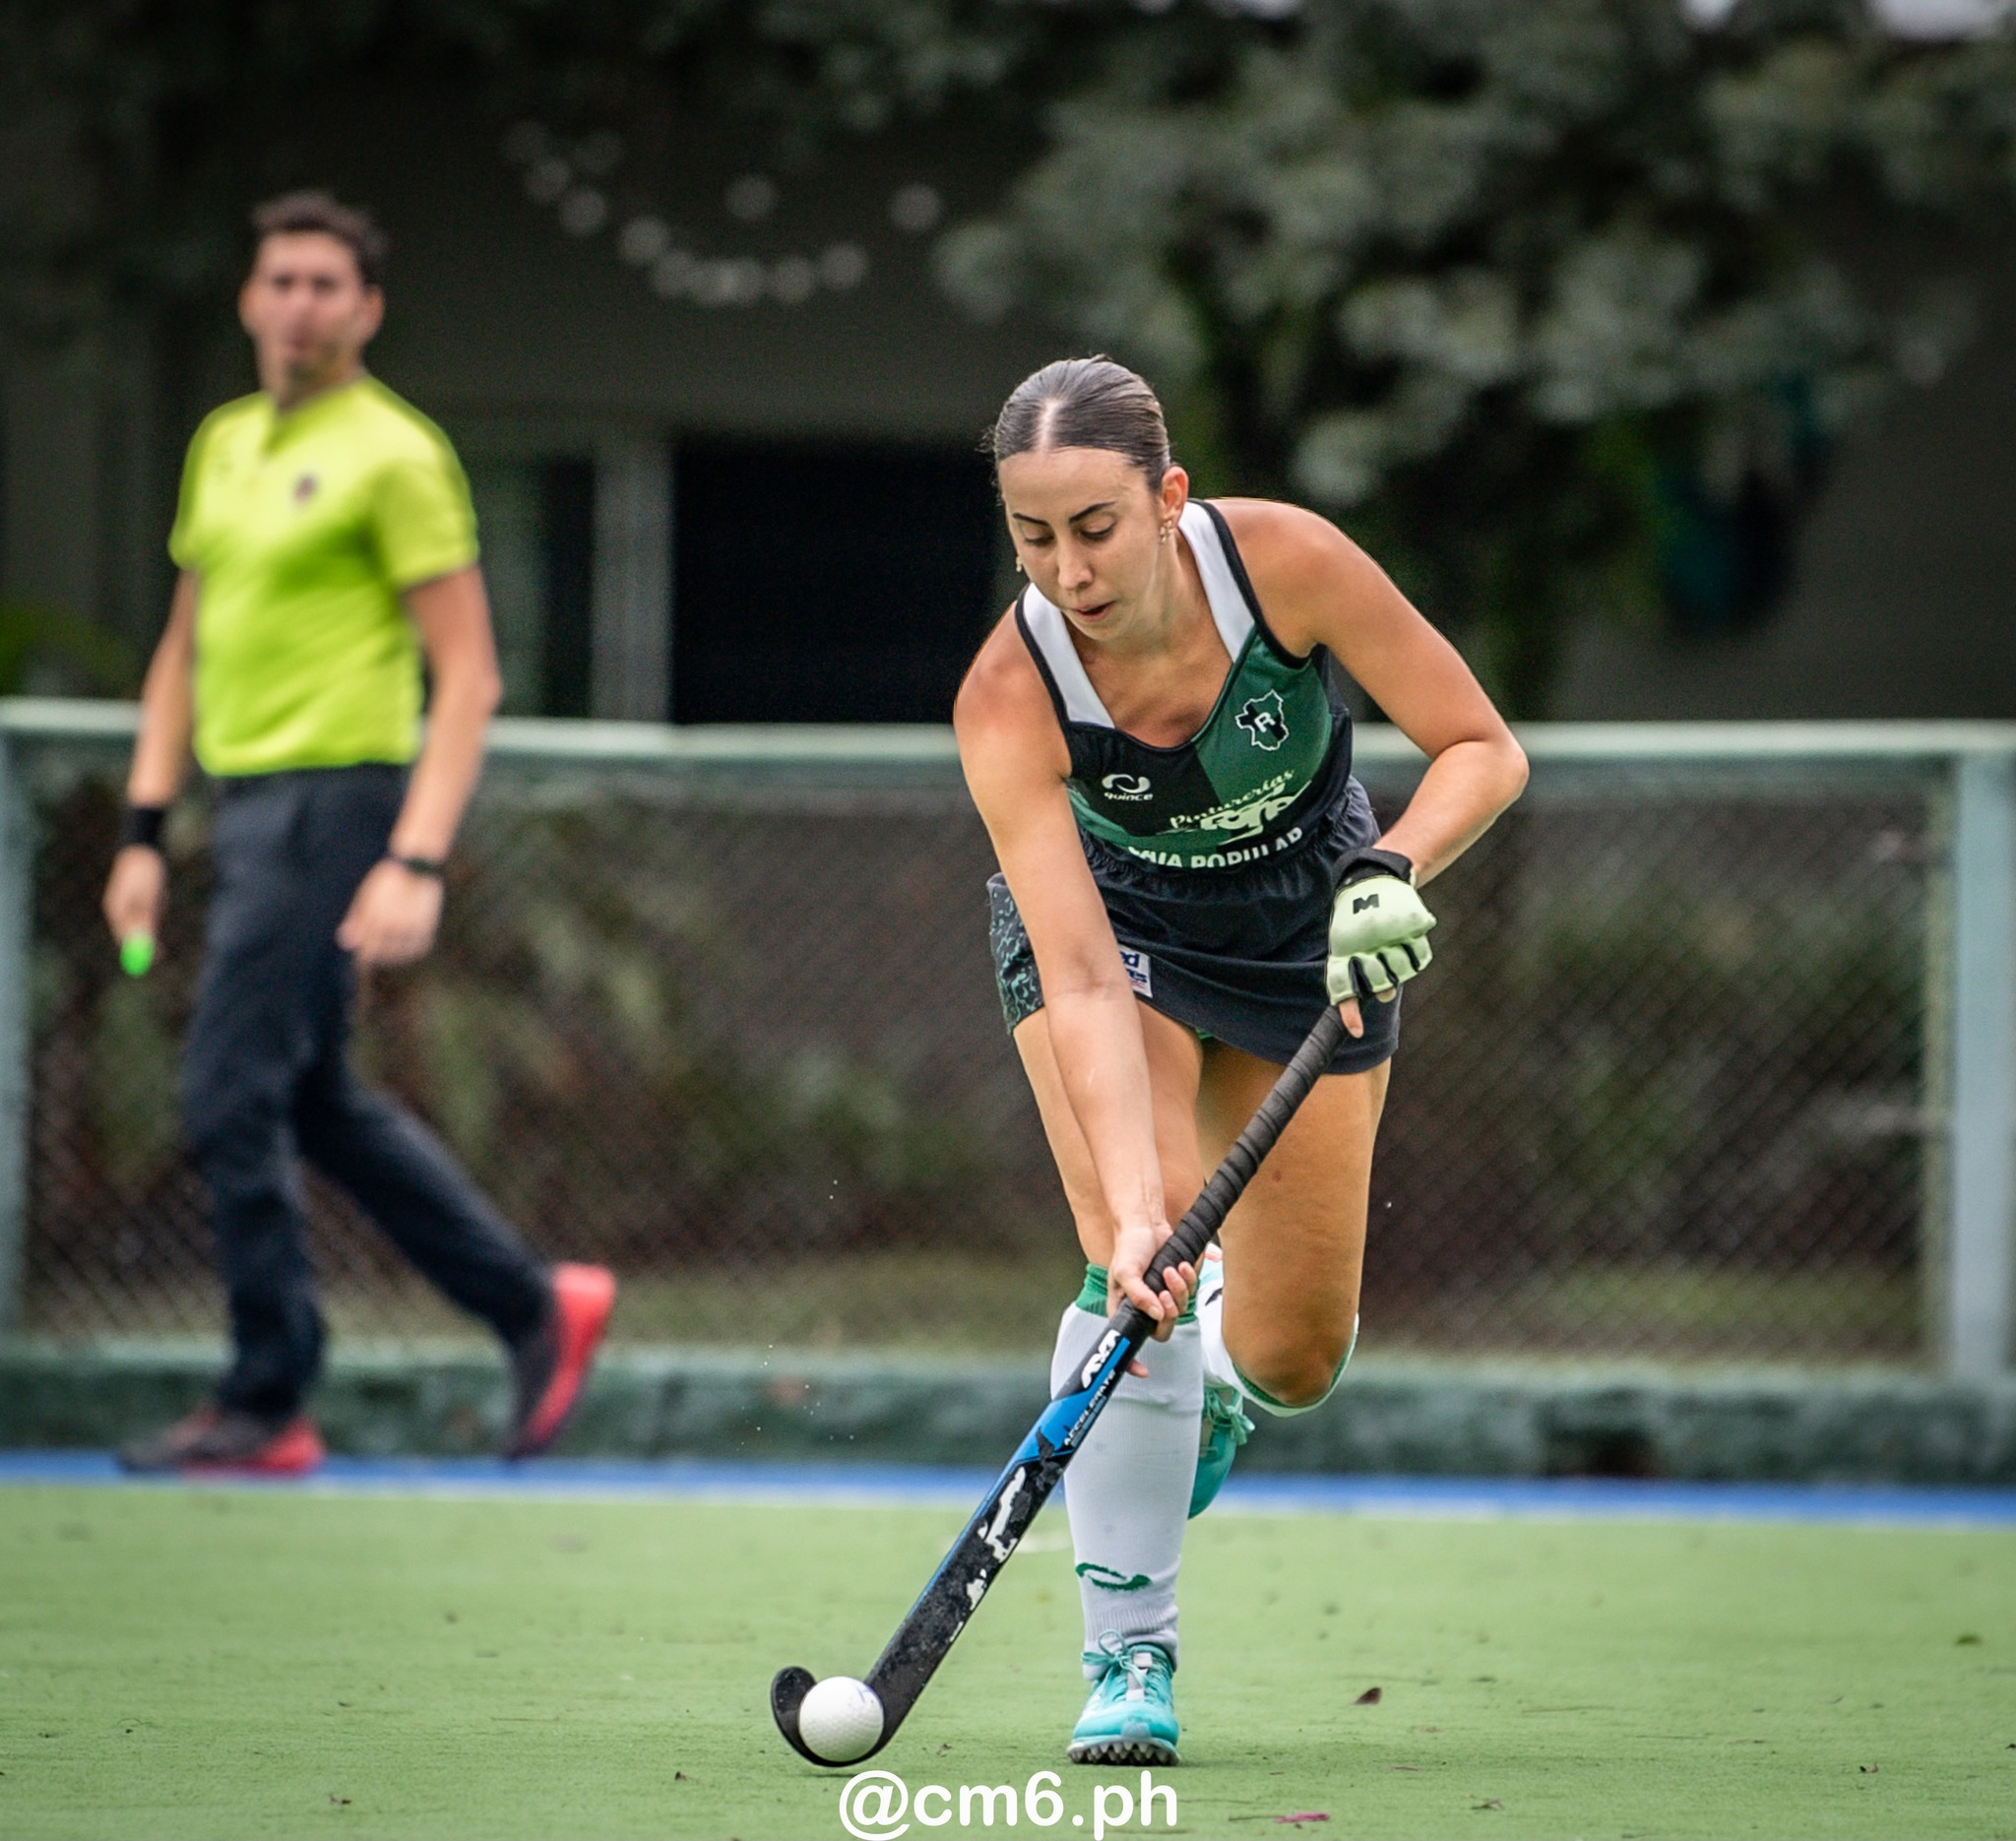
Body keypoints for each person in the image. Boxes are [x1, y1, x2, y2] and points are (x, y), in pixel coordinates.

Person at [955, 357, 1527, 1764]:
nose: (1070, 569)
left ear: (1166, 497)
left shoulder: (1287, 567)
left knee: (1295, 1352)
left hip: (1314, 925)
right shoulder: (1008, 695)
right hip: (1119, 928)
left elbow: (1480, 747)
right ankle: (1127, 1659)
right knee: (1128, 1259)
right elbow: (1082, 972)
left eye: (1095, 525)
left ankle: (1218, 1378)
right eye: (1035, 536)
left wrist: (1396, 867)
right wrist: (1138, 1203)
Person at [103, 191, 616, 1475]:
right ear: (248, 297)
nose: (300, 304)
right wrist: (142, 830)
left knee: (227, 1089)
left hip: (343, 800)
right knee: (314, 1097)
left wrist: (416, 856)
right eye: (280, 279)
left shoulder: (397, 453)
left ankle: (266, 1396)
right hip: (245, 801)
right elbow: (182, 648)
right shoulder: (221, 443)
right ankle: (532, 1303)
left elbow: (472, 675)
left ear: (367, 308)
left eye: (328, 283)